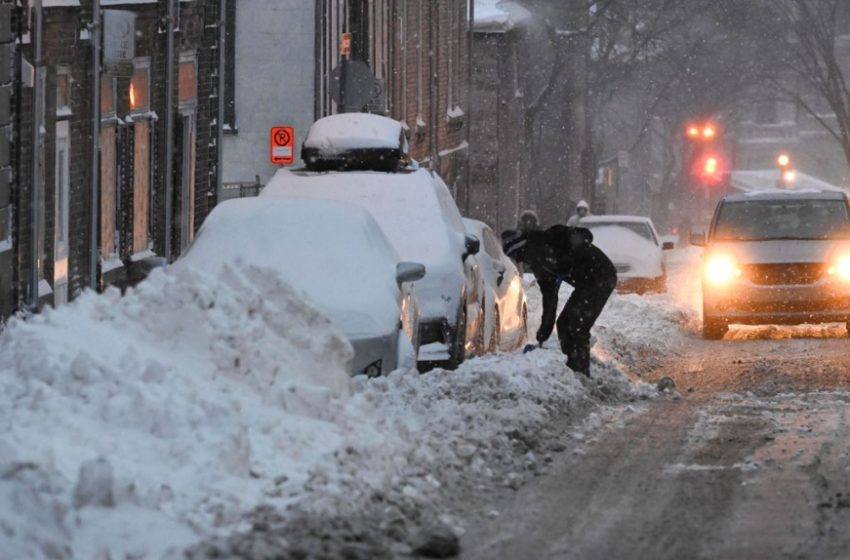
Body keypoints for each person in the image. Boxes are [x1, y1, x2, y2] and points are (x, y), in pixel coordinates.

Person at [502, 224, 617, 377]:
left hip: (601, 276)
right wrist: (544, 332)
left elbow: (584, 235)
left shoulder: (551, 236)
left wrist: (571, 252)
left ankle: (581, 372)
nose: (518, 260)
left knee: (577, 325)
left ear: (521, 247)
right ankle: (572, 369)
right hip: (586, 283)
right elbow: (550, 299)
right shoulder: (539, 266)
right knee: (564, 324)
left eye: (516, 255)